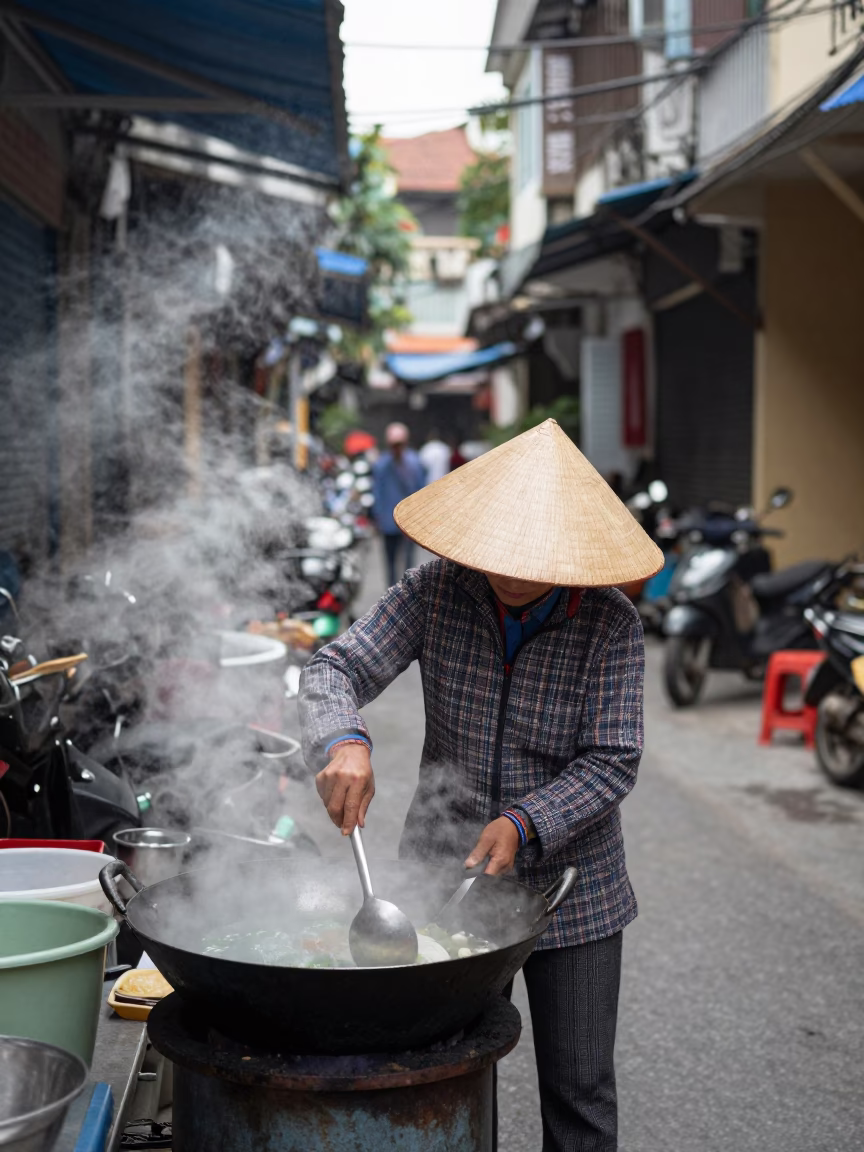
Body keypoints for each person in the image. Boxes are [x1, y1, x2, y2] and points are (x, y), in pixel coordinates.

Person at [299, 419, 662, 1152]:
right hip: (442, 877)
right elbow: (333, 668)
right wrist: (344, 741)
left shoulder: (610, 624)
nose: (511, 570)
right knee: (445, 1079)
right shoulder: (435, 589)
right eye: (499, 550)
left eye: (533, 557)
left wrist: (526, 822)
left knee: (581, 1090)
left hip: (573, 890)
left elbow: (613, 760)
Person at [372, 422, 426, 588]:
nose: (396, 448)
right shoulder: (382, 464)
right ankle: (391, 591)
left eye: (399, 445)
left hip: (408, 520)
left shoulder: (414, 462)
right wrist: (377, 517)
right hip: (388, 521)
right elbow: (377, 492)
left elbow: (420, 489)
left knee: (409, 561)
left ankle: (409, 591)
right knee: (390, 560)